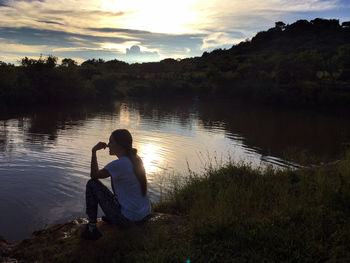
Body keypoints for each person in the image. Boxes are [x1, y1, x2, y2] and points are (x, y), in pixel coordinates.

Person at [82, 129, 151, 240]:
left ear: (121, 145)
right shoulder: (136, 159)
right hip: (144, 215)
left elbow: (94, 175)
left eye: (111, 142)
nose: (108, 145)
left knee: (92, 184)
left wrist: (94, 151)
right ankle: (114, 214)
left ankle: (92, 228)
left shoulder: (120, 164)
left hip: (129, 220)